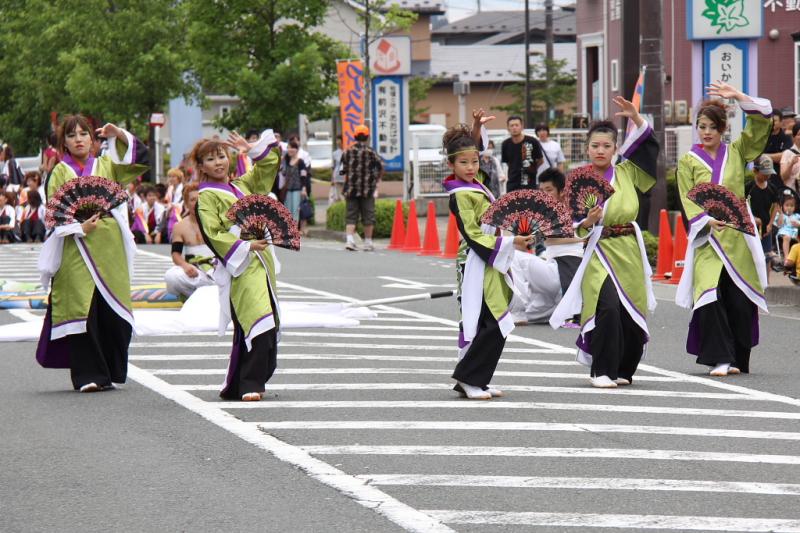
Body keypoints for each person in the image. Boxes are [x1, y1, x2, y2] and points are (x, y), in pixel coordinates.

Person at [549, 95, 660, 388]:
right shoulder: (577, 179)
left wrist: (636, 119)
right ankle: (601, 370)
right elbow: (569, 221)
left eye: (607, 146)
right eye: (595, 145)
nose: (600, 150)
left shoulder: (627, 172)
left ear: (615, 148)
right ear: (587, 148)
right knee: (608, 306)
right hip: (597, 250)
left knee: (631, 312)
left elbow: (648, 152)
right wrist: (587, 221)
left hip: (629, 249)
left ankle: (624, 368)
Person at [36, 114, 147, 392]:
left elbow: (140, 159)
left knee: (111, 312)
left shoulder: (107, 164)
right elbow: (55, 213)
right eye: (71, 136)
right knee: (82, 310)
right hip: (77, 244)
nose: (78, 140)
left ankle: (110, 370)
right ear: (64, 143)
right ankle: (88, 376)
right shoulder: (60, 171)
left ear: (93, 138)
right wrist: (79, 226)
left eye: (83, 134)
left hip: (110, 247)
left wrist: (118, 134)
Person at [675, 81, 772, 377]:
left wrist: (740, 97)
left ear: (722, 130)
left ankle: (739, 358)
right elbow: (686, 197)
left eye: (712, 127)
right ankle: (719, 357)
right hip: (709, 238)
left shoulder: (738, 151)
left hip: (738, 235)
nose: (706, 132)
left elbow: (763, 118)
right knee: (710, 294)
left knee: (740, 298)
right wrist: (704, 219)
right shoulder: (688, 161)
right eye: (701, 126)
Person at [442, 124, 533, 400]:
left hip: (490, 257)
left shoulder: (475, 185)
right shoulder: (459, 194)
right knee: (488, 319)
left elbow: (474, 147)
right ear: (451, 164)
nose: (471, 167)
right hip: (475, 260)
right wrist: (510, 242)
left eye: (474, 161)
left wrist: (476, 129)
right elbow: (472, 234)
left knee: (489, 319)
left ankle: (476, 378)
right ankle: (469, 378)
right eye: (463, 162)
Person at [193, 130, 282, 402]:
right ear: (201, 167)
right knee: (256, 320)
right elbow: (213, 231)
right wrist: (244, 245)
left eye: (222, 156)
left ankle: (245, 382)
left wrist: (252, 149)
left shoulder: (242, 186)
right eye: (210, 159)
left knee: (266, 321)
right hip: (241, 266)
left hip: (262, 263)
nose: (218, 162)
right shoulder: (206, 196)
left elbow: (268, 167)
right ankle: (249, 383)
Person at [508, 168, 583, 324]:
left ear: (562, 192)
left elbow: (553, 237)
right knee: (531, 315)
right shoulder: (548, 215)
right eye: (541, 190)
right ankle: (527, 312)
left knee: (512, 255)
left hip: (562, 274)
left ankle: (518, 310)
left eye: (548, 190)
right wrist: (521, 240)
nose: (543, 195)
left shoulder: (571, 212)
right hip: (557, 278)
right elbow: (538, 239)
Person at [164, 183, 216, 299]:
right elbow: (176, 254)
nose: (196, 203)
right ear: (187, 204)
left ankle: (204, 292)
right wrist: (185, 266)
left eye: (200, 199)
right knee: (171, 277)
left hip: (215, 270)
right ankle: (198, 295)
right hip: (194, 271)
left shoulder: (216, 222)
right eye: (193, 200)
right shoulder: (179, 226)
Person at [340, 124, 383, 251]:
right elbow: (380, 167)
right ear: (367, 137)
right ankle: (368, 243)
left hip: (351, 189)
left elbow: (342, 171)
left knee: (351, 215)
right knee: (368, 215)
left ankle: (350, 241)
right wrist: (376, 179)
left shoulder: (347, 152)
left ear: (354, 136)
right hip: (368, 189)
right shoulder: (371, 152)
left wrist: (350, 175)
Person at [746, 155, 779, 264]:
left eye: (769, 173)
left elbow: (776, 205)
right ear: (755, 170)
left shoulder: (772, 188)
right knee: (753, 256)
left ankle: (766, 280)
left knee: (767, 256)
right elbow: (742, 205)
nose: (767, 176)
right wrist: (752, 218)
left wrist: (770, 223)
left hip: (766, 229)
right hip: (752, 228)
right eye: (764, 173)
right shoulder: (749, 188)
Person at [501, 115, 543, 191]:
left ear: (522, 126)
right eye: (512, 125)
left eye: (517, 125)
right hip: (512, 183)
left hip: (529, 182)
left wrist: (533, 168)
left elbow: (540, 160)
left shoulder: (532, 141)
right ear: (508, 128)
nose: (514, 128)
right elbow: (507, 162)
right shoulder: (505, 144)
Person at [281, 141, 310, 223]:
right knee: (287, 211)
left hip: (297, 190)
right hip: (288, 190)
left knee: (295, 211)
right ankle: (290, 231)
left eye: (292, 147)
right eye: (288, 147)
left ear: (297, 149)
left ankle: (294, 232)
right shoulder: (287, 161)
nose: (290, 149)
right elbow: (283, 173)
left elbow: (303, 176)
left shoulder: (300, 162)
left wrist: (304, 189)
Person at [762, 110, 792, 175]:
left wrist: (764, 156)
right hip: (763, 175)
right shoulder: (762, 137)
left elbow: (785, 156)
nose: (772, 123)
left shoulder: (786, 138)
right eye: (770, 120)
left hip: (779, 176)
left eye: (775, 121)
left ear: (781, 122)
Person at [773, 192, 800, 262]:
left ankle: (797, 256)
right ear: (783, 206)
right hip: (784, 231)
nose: (789, 208)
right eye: (787, 205)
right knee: (787, 237)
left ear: (795, 207)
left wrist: (798, 224)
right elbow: (779, 225)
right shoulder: (782, 215)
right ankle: (787, 257)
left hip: (795, 232)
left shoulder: (796, 216)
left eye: (792, 206)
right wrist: (781, 213)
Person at [779, 121, 800, 192]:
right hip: (792, 195)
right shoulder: (787, 153)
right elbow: (783, 177)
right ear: (793, 137)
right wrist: (791, 164)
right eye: (799, 134)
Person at [329, 136, 345, 203]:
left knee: (345, 196)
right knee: (338, 196)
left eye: (339, 141)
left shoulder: (348, 151)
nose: (338, 143)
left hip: (346, 177)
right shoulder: (335, 153)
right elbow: (333, 166)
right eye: (337, 141)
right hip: (337, 176)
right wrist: (332, 179)